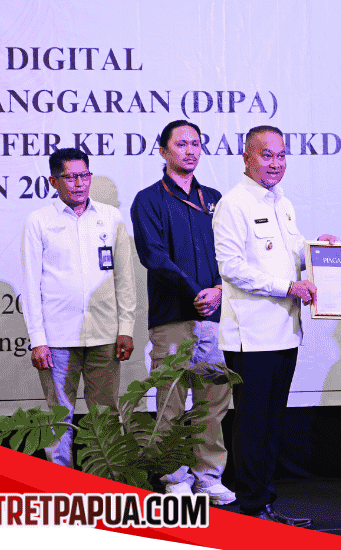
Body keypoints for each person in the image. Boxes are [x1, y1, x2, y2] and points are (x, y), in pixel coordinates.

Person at [212, 125, 337, 527]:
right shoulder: (233, 204)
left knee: (271, 424)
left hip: (285, 331)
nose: (275, 163)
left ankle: (264, 503)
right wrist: (288, 287)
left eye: (281, 155)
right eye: (267, 155)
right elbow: (232, 268)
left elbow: (291, 251)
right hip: (252, 336)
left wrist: (315, 250)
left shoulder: (282, 202)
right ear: (247, 158)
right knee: (253, 424)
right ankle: (252, 507)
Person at [131, 120, 234, 504]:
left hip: (215, 317)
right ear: (163, 151)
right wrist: (196, 293)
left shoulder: (215, 199)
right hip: (172, 317)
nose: (190, 151)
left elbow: (232, 253)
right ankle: (174, 477)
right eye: (181, 144)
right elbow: (155, 257)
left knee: (213, 400)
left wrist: (219, 291)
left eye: (195, 144)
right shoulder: (148, 200)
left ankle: (209, 476)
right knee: (171, 401)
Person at [21, 148, 136, 467]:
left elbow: (125, 278)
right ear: (53, 181)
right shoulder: (39, 221)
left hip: (105, 334)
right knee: (59, 416)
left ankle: (107, 479)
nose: (79, 183)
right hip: (57, 338)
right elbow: (30, 284)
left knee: (106, 413)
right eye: (70, 177)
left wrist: (126, 328)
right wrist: (38, 339)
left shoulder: (110, 217)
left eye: (84, 175)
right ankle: (61, 483)